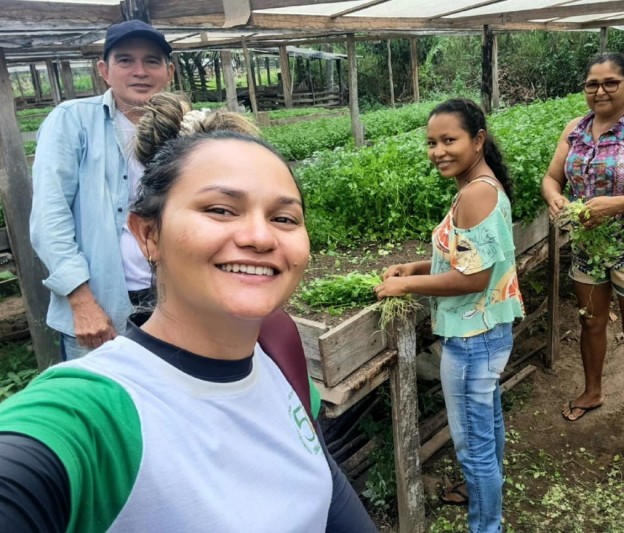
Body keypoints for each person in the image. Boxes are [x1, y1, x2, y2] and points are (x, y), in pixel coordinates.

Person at [0, 94, 377, 532]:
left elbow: (325, 492)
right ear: (148, 235)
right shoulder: (96, 413)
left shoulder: (279, 354)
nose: (259, 236)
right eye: (220, 210)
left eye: (285, 218)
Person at [375, 98, 525, 533]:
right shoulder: (482, 186)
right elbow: (468, 261)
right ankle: (485, 503)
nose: (438, 150)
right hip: (490, 331)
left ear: (478, 140)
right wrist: (417, 268)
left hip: (471, 339)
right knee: (488, 425)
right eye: (431, 142)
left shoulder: (476, 193)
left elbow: (472, 279)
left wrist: (404, 285)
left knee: (473, 447)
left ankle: (487, 526)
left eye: (449, 140)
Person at [540, 52, 624, 446]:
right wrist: (555, 199)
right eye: (592, 84)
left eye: (611, 82)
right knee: (591, 322)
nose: (600, 91)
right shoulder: (575, 129)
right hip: (588, 246)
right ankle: (593, 390)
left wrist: (611, 206)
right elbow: (551, 177)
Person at [30, 20, 175, 360]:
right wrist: (81, 303)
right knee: (106, 402)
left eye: (151, 61)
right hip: (103, 306)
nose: (139, 71)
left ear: (169, 71)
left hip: (173, 300)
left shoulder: (180, 128)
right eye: (125, 60)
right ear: (104, 71)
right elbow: (50, 220)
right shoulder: (72, 121)